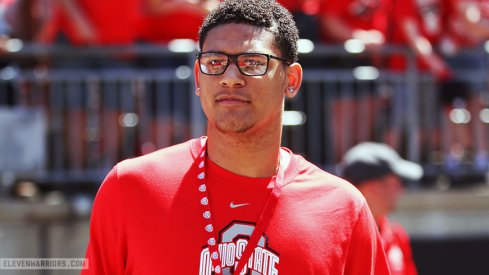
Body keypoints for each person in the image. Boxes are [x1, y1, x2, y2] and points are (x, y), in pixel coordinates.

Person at [81, 0, 391, 274]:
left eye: (253, 63)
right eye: (214, 63)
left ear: (291, 80)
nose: (230, 78)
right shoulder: (130, 189)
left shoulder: (344, 210)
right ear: (198, 78)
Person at [340, 142, 422, 275]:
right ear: (375, 187)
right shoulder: (338, 242)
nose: (401, 190)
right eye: (398, 182)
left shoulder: (397, 235)